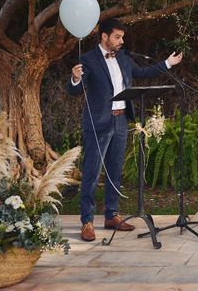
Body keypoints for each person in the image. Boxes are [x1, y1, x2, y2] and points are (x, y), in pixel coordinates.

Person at [67, 18, 182, 242]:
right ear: (104, 36)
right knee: (91, 173)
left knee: (115, 170)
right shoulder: (88, 59)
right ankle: (87, 221)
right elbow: (75, 90)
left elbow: (143, 73)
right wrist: (75, 78)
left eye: (122, 37)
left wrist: (167, 63)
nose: (122, 41)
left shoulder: (123, 56)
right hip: (98, 123)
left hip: (121, 122)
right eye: (117, 37)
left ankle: (111, 215)